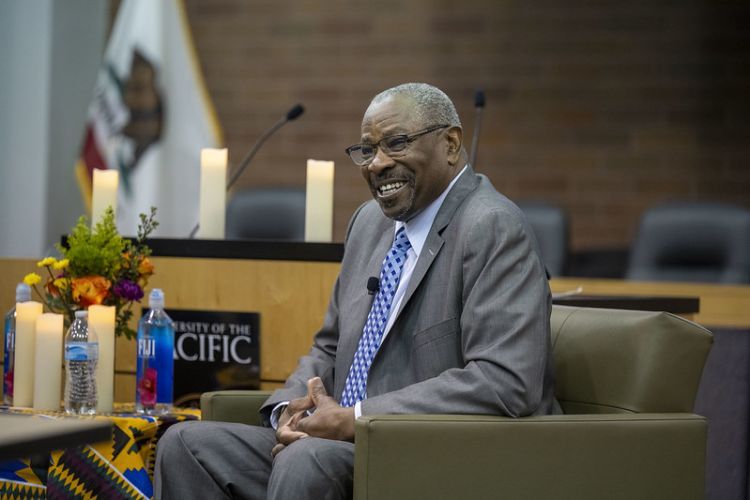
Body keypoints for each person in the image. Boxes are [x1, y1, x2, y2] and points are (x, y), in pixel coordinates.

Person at [154, 82, 555, 500]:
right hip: (349, 447)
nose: (377, 164)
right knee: (186, 446)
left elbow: (504, 381)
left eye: (396, 143)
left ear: (451, 144)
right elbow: (329, 347)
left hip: (439, 454)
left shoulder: (491, 226)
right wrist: (290, 410)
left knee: (306, 459)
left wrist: (357, 419)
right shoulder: (369, 224)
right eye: (367, 150)